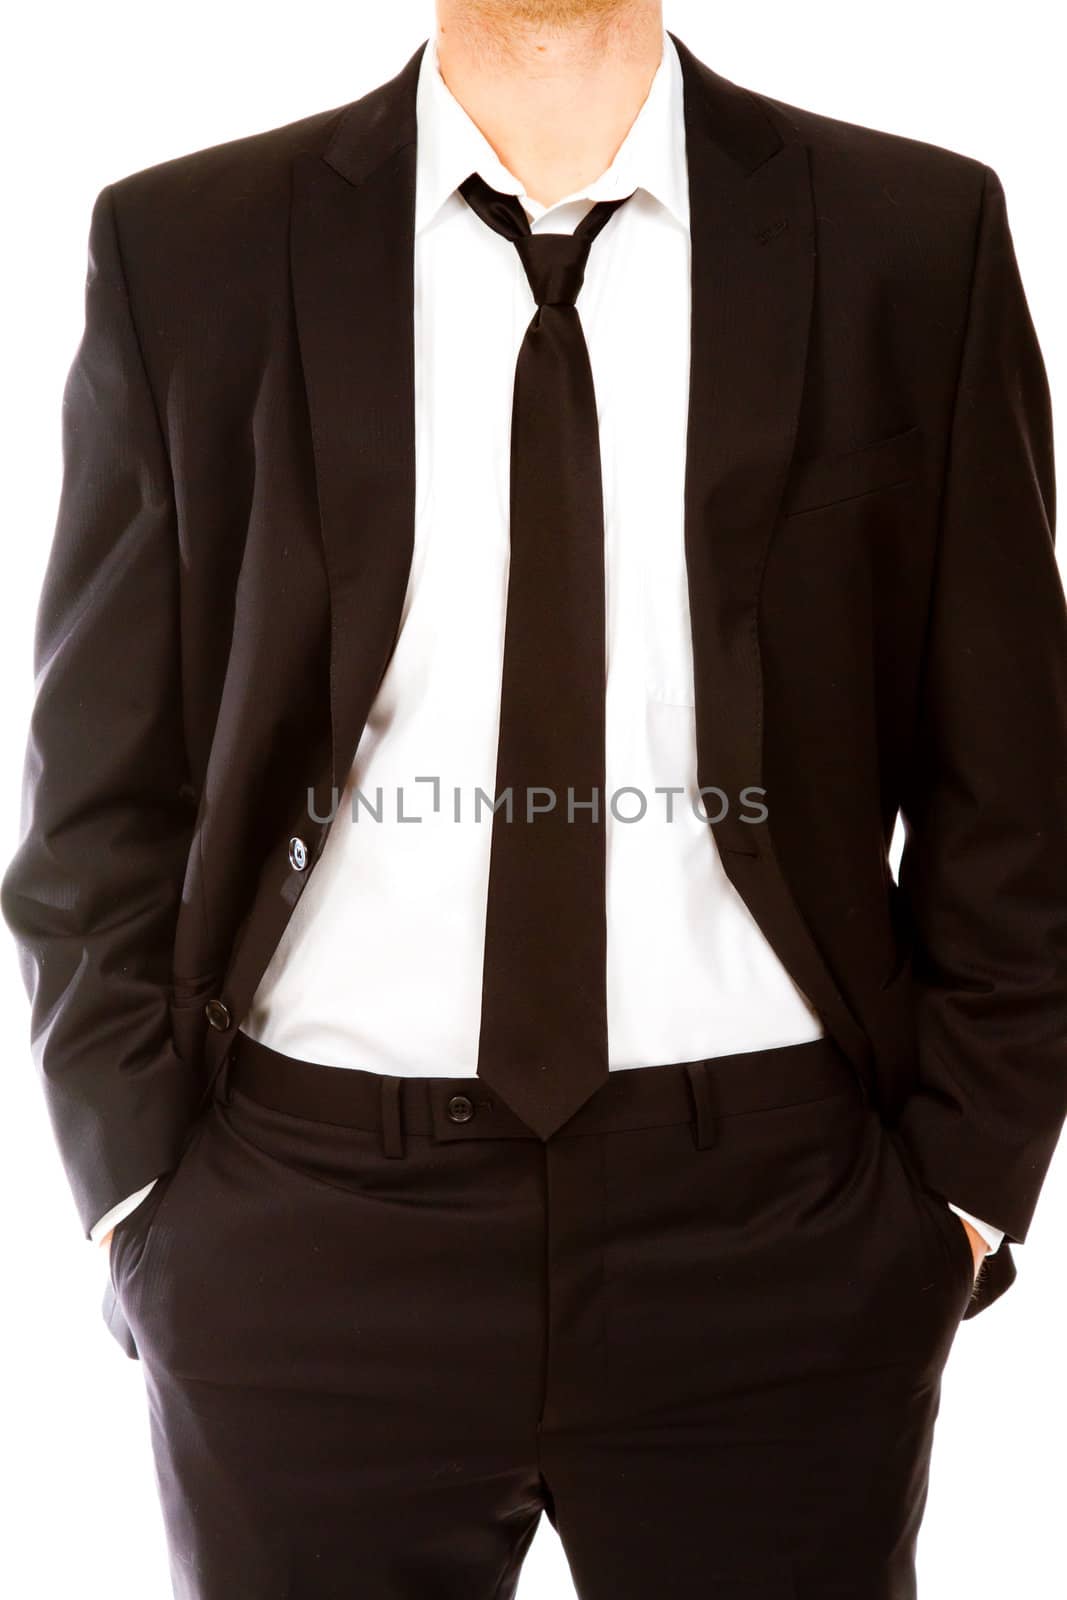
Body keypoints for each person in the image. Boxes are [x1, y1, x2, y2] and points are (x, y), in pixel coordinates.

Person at [4, 2, 1065, 1595]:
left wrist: (962, 1194)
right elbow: (96, 784)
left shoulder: (916, 233)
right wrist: (138, 1200)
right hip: (304, 1234)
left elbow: (1016, 782)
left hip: (776, 1228)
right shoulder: (189, 245)